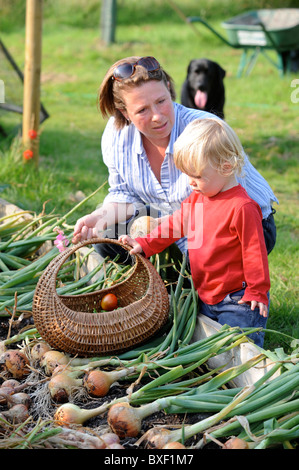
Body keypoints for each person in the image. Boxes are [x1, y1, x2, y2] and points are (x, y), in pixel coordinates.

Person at [72, 56, 278, 260]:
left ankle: (202, 282)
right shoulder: (117, 135)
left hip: (239, 224)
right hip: (175, 222)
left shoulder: (204, 129)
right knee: (108, 237)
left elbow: (226, 208)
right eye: (142, 110)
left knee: (200, 260)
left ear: (169, 89)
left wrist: (167, 227)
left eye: (161, 101)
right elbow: (124, 194)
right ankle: (169, 281)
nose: (157, 116)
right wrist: (100, 217)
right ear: (124, 112)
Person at [119, 118, 270, 347]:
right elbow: (176, 224)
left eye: (197, 176)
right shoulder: (199, 197)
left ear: (226, 167)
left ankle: (249, 377)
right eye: (187, 175)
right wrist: (146, 243)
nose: (190, 182)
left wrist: (256, 291)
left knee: (235, 348)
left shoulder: (242, 207)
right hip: (207, 293)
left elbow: (254, 253)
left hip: (237, 299)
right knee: (207, 346)